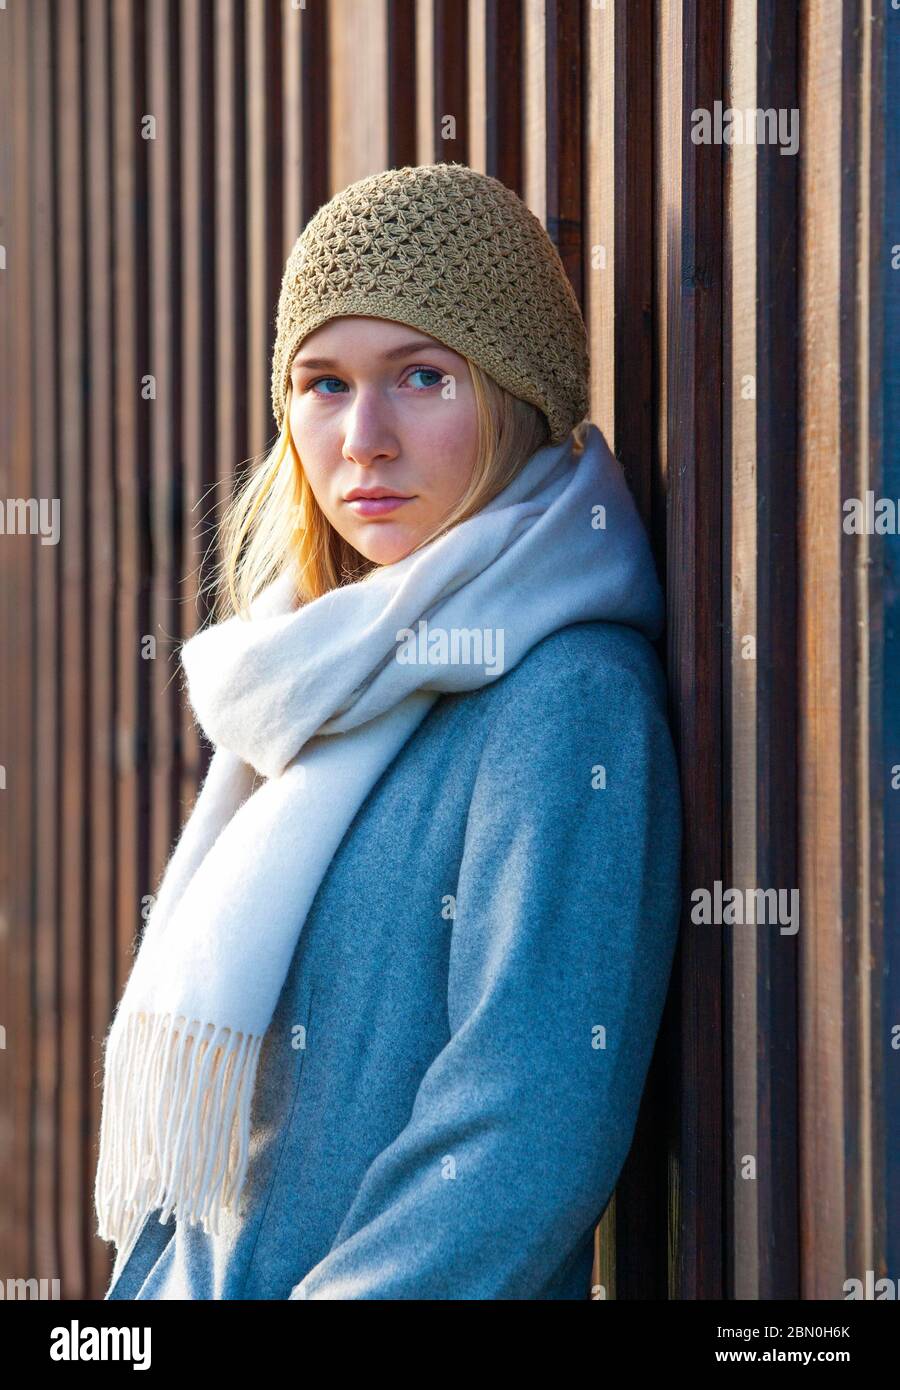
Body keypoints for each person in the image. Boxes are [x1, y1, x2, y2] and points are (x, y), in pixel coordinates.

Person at [94, 161, 682, 1301]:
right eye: (322, 383)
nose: (362, 437)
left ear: (517, 399)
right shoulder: (322, 675)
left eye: (421, 376)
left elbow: (523, 1134)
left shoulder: (568, 698)